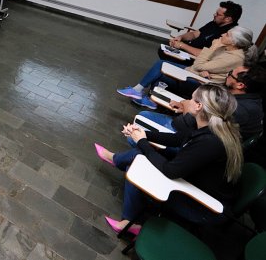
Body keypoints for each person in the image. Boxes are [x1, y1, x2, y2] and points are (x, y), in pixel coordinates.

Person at [95, 84, 243, 235]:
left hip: (203, 206)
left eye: (191, 99)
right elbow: (176, 139)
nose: (188, 101)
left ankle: (131, 222)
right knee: (139, 159)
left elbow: (170, 171)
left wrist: (142, 141)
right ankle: (116, 161)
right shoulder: (210, 126)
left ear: (199, 106)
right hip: (193, 183)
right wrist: (143, 134)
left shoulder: (210, 142)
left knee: (137, 166)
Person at [118, 26, 258, 109]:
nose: (222, 35)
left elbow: (199, 64)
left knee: (162, 68)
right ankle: (144, 95)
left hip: (202, 83)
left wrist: (212, 47)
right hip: (197, 73)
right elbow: (206, 64)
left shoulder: (234, 57)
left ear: (234, 41)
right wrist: (205, 68)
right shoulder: (228, 49)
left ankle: (143, 95)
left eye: (227, 34)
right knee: (162, 66)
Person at [137, 65, 265, 140]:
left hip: (194, 141)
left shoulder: (239, 109)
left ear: (240, 85)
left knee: (140, 124)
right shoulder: (240, 97)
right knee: (143, 118)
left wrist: (187, 108)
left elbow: (201, 127)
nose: (228, 75)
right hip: (193, 130)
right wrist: (187, 107)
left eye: (231, 74)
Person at [162, 0, 242, 60]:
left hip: (195, 57)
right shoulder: (214, 23)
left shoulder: (229, 34)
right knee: (165, 46)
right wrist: (181, 37)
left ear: (228, 19)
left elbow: (206, 54)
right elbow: (194, 34)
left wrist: (182, 45)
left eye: (218, 14)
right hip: (188, 48)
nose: (214, 15)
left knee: (164, 53)